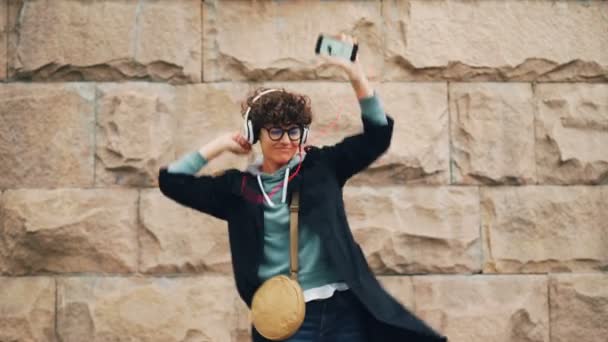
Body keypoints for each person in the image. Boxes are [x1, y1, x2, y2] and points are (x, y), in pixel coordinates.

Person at [158, 34, 447, 342]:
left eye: (293, 130)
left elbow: (377, 135)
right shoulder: (237, 189)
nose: (286, 139)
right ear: (255, 134)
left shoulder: (321, 167)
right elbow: (172, 182)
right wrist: (219, 146)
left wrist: (356, 75)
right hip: (283, 317)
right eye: (276, 131)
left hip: (343, 309)